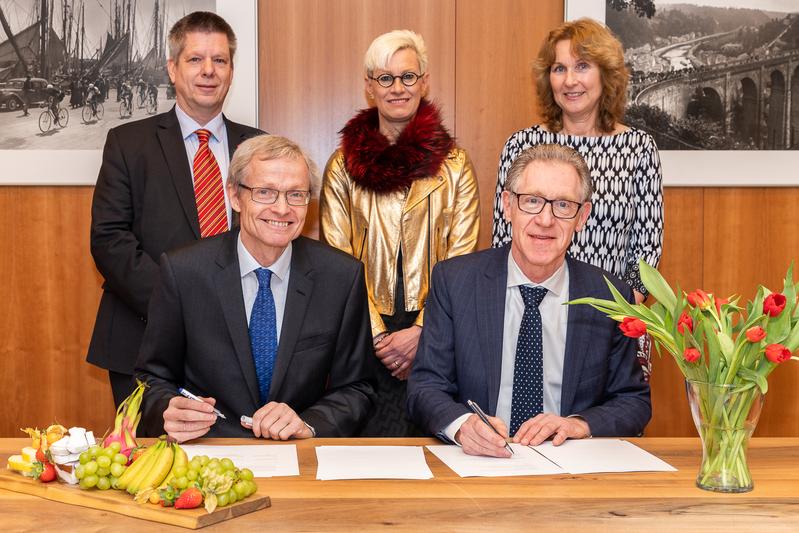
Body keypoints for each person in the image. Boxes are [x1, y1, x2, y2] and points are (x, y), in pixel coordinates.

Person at [408, 144, 651, 457]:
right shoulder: (455, 282)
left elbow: (633, 401)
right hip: (479, 464)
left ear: (582, 217)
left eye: (563, 205)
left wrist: (579, 425)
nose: (546, 219)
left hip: (570, 470)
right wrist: (463, 425)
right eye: (532, 201)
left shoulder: (608, 294)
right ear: (508, 206)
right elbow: (425, 388)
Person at [136, 134, 376, 441]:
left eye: (296, 194)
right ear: (235, 196)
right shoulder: (184, 271)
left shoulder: (341, 276)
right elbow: (152, 377)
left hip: (298, 456)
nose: (282, 208)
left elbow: (358, 388)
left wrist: (310, 423)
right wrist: (168, 409)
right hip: (209, 453)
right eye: (265, 192)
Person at [87, 11, 263, 406]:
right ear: (172, 68)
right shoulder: (128, 143)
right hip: (146, 338)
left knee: (237, 463)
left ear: (231, 71)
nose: (208, 71)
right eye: (195, 59)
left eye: (220, 60)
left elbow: (275, 236)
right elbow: (109, 240)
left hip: (243, 342)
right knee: (149, 464)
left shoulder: (259, 147)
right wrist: (180, 307)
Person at [319, 29, 480, 437]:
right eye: (385, 78)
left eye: (408, 77)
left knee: (437, 454)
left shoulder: (456, 165)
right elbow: (337, 261)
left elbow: (462, 260)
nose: (397, 88)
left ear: (424, 82)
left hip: (439, 332)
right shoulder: (341, 167)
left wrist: (422, 332)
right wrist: (379, 336)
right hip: (362, 333)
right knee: (365, 462)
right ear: (369, 86)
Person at [491, 18, 663, 379]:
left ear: (606, 74)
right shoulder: (521, 146)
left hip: (611, 324)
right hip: (530, 318)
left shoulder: (639, 149)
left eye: (582, 66)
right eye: (559, 68)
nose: (570, 80)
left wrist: (616, 314)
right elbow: (504, 240)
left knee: (604, 425)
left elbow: (646, 252)